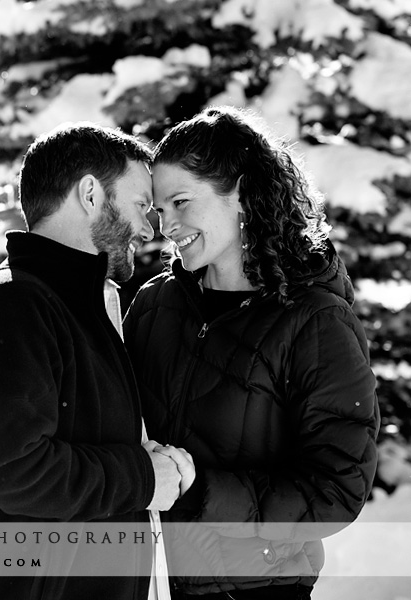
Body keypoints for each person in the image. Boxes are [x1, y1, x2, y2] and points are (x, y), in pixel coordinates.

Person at [0, 122, 191, 600]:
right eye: (140, 205)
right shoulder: (12, 308)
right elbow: (4, 468)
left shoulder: (74, 311)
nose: (150, 229)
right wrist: (142, 479)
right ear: (90, 193)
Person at [123, 106, 380, 600]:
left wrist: (201, 492)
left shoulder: (314, 320)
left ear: (240, 192)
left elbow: (335, 490)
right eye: (158, 210)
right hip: (150, 583)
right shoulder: (156, 304)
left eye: (180, 202)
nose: (166, 227)